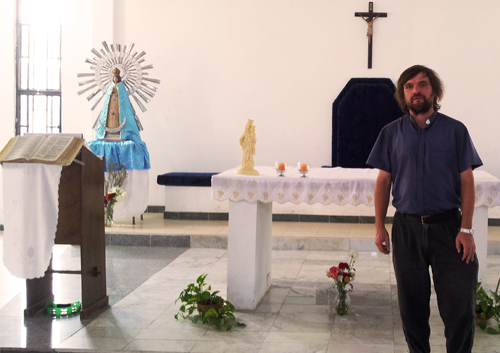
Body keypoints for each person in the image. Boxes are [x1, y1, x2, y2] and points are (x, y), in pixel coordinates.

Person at [366, 65, 483, 353]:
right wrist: (380, 226)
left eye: (422, 84)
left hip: (449, 230)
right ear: (403, 94)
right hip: (406, 230)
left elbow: (467, 181)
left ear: (435, 90)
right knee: (412, 312)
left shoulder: (455, 131)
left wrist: (466, 229)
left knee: (460, 311)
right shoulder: (391, 133)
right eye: (409, 86)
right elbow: (383, 181)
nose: (416, 90)